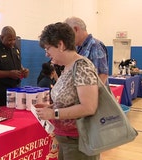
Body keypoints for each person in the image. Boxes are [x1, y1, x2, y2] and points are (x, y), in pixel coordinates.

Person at [36, 22, 99, 160]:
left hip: (79, 142)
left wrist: (54, 113)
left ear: (60, 45)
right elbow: (71, 99)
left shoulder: (82, 67)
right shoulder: (67, 67)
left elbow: (89, 107)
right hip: (67, 140)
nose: (46, 54)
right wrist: (51, 107)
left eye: (48, 49)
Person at [0, 26, 29, 106]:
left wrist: (23, 71)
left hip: (14, 89)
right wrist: (8, 73)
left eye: (14, 39)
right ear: (2, 37)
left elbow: (18, 64)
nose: (12, 42)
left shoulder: (15, 48)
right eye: (9, 40)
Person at [65, 16, 109, 84]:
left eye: (68, 34)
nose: (67, 38)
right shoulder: (77, 47)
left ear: (76, 29)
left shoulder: (95, 46)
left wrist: (93, 94)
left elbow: (102, 75)